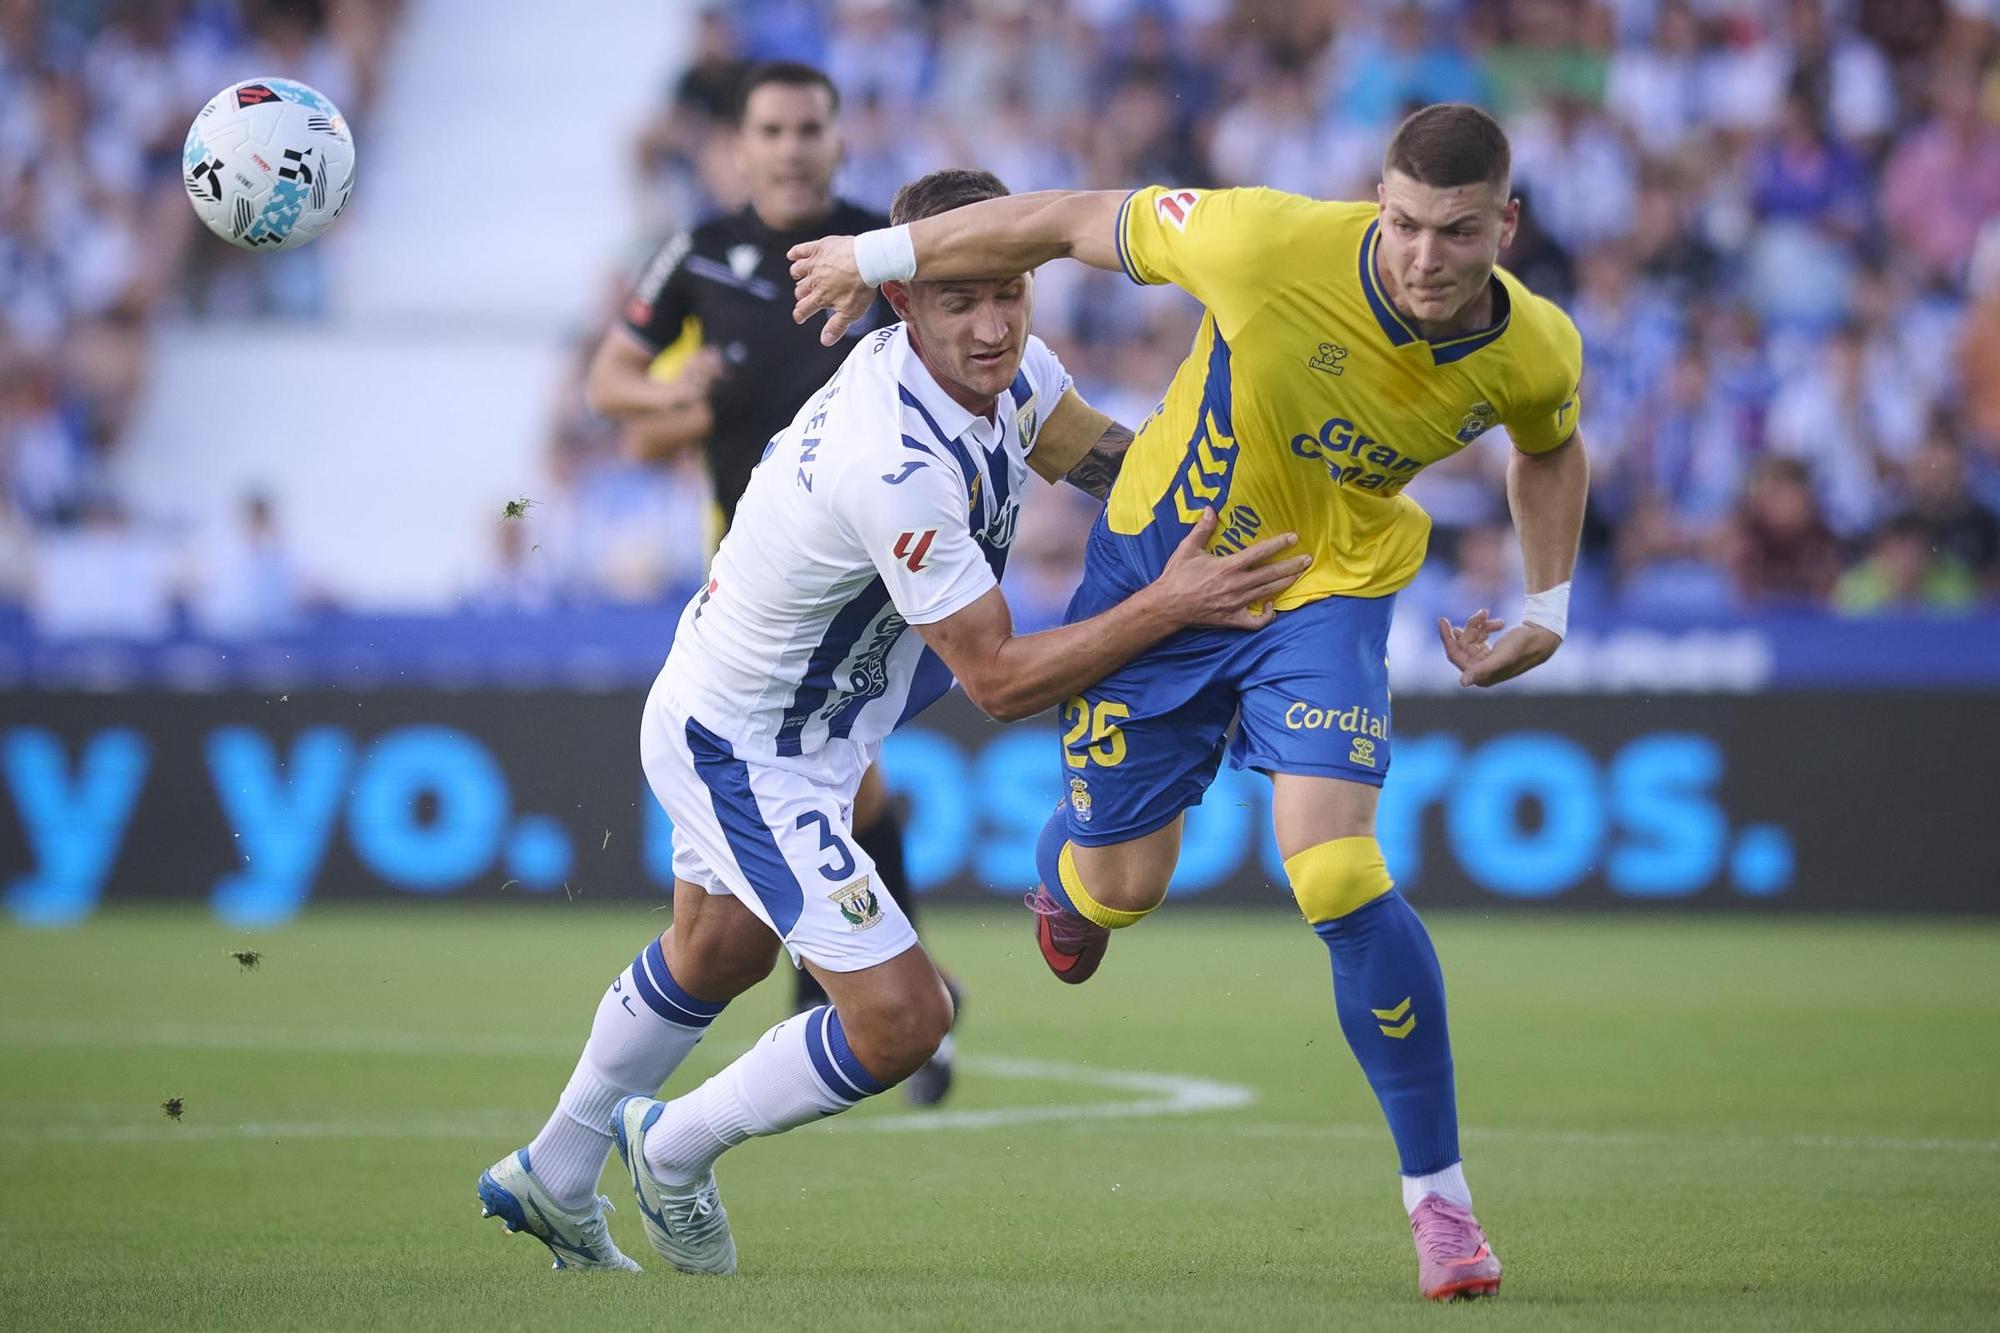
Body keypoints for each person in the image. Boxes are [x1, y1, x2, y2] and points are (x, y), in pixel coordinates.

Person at [790, 103, 1590, 1303]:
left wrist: (1548, 606)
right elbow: (1060, 218)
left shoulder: (1536, 348)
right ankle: (1070, 880)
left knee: (1332, 872)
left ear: (1503, 226)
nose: (1425, 256)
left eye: (1457, 231)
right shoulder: (1260, 242)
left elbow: (1547, 444)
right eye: (1406, 224)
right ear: (1379, 204)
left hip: (1320, 591)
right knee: (1118, 889)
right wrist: (877, 255)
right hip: (1158, 569)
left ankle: (1441, 1208)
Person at [479, 168, 1310, 1275]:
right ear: (901, 298)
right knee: (902, 1020)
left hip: (789, 722)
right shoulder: (895, 460)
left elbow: (1093, 457)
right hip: (746, 743)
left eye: (1008, 290)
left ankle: (553, 1170)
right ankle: (669, 1148)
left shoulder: (1003, 372)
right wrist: (1173, 600)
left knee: (716, 949)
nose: (991, 323)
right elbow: (1003, 680)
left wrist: (1227, 495)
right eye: (958, 298)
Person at [585, 61, 954, 1101]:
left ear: (840, 141)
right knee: (835, 793)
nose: (791, 146)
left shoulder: (876, 254)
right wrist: (677, 393)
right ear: (738, 148)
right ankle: (868, 993)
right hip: (746, 582)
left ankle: (860, 993)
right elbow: (608, 384)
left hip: (872, 570)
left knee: (841, 787)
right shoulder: (700, 254)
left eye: (809, 128)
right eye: (773, 129)